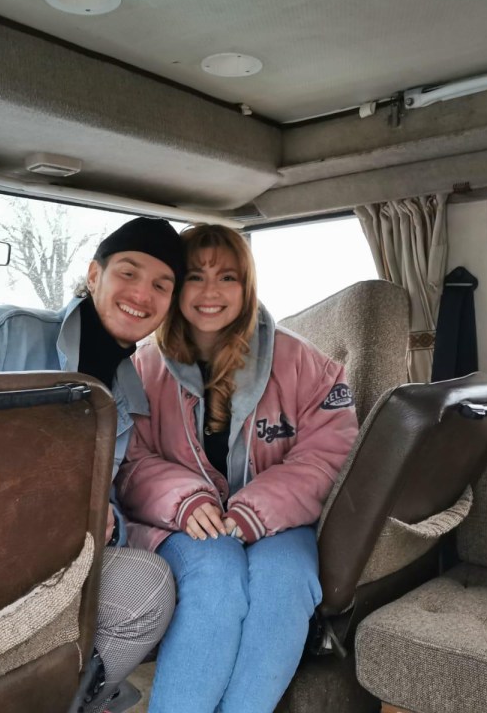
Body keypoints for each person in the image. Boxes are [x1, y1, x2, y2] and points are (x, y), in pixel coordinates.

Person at [0, 216, 183, 713]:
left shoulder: (129, 395)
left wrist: (110, 516)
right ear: (94, 276)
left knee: (148, 586)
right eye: (128, 272)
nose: (142, 293)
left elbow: (107, 487)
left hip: (51, 561)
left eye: (162, 285)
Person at [116, 224, 359, 713]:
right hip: (181, 523)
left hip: (280, 521)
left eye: (227, 277)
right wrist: (185, 502)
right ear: (175, 287)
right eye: (195, 277)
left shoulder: (303, 363)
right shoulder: (141, 369)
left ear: (246, 287)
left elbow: (329, 453)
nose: (211, 293)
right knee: (217, 579)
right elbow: (129, 460)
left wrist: (256, 511)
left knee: (285, 583)